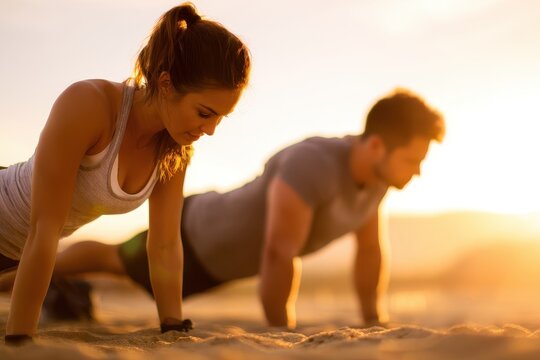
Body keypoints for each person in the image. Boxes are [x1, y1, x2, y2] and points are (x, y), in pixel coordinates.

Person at [41, 89, 445, 329]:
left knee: (115, 265)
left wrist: (373, 320)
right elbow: (279, 252)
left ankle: (46, 279)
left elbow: (370, 251)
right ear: (376, 145)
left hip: (220, 264)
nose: (419, 172)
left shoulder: (376, 184)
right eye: (413, 159)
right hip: (195, 233)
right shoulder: (314, 164)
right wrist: (281, 333)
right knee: (111, 259)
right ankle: (25, 271)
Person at [0, 2, 251, 344]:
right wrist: (19, 340)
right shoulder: (88, 105)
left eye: (220, 118)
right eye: (204, 113)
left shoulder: (173, 151)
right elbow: (44, 229)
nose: (210, 131)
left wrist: (172, 325)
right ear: (165, 83)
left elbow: (163, 244)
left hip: (11, 256)